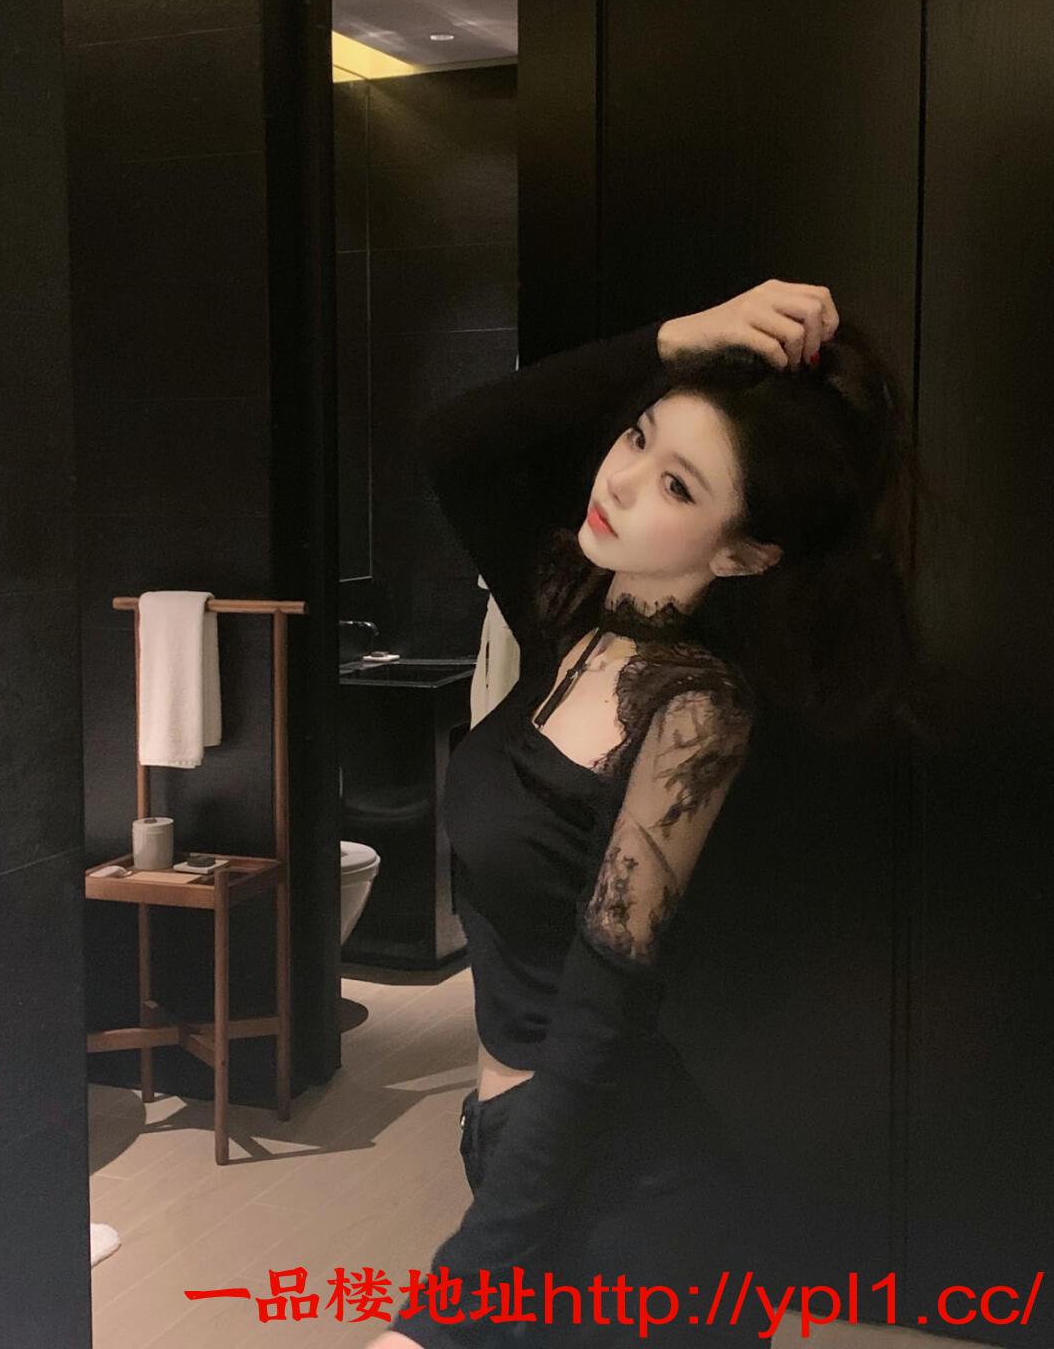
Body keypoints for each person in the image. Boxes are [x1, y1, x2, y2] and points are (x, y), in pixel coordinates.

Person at [365, 280, 933, 1347]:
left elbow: (594, 1030)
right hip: (525, 1151)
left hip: (634, 1208)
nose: (620, 482)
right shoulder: (572, 611)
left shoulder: (694, 715)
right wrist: (678, 338)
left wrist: (442, 1316)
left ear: (743, 553)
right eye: (636, 436)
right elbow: (455, 439)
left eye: (676, 483)